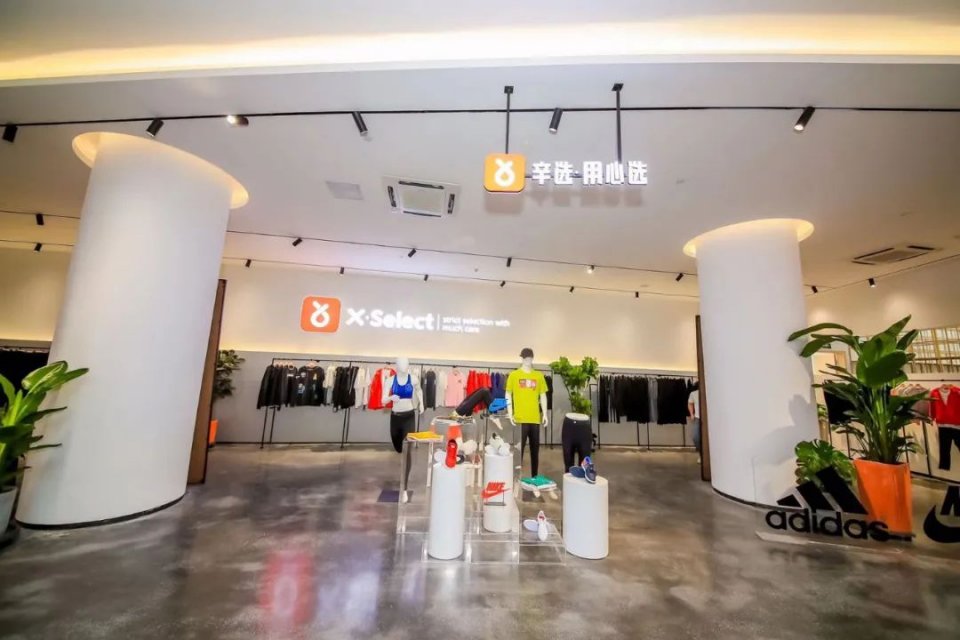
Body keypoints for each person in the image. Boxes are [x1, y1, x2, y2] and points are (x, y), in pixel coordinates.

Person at [688, 384, 701, 460]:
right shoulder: (693, 393)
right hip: (697, 418)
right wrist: (691, 414)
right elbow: (690, 403)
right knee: (695, 437)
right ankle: (701, 454)